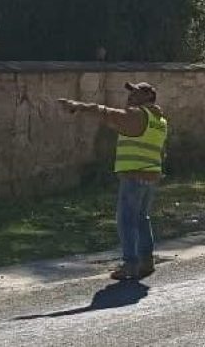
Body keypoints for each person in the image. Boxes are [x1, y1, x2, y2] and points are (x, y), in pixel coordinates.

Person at [58, 82, 168, 281]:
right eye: (130, 92)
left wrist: (78, 105)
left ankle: (130, 264)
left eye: (135, 93)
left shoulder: (138, 116)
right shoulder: (159, 121)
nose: (130, 96)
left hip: (134, 176)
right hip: (151, 176)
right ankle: (146, 261)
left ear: (147, 98)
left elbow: (106, 112)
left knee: (126, 220)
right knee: (142, 219)